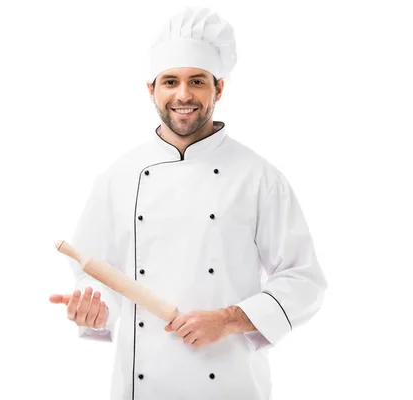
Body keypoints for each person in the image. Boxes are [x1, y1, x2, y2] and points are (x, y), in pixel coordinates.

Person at [49, 7, 327, 400]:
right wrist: (95, 307)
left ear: (219, 88)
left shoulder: (259, 178)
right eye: (170, 81)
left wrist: (229, 320)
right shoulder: (118, 177)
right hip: (139, 388)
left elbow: (304, 279)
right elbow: (98, 278)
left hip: (230, 383)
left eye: (197, 81)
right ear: (151, 89)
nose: (183, 95)